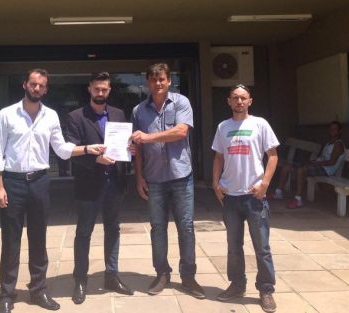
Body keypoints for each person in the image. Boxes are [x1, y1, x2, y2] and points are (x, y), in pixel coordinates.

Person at [0, 68, 104, 313]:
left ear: (46, 89)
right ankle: (7, 294)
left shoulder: (51, 116)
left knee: (39, 238)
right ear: (25, 85)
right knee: (11, 240)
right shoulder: (6, 114)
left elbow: (62, 150)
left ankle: (38, 290)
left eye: (41, 85)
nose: (37, 88)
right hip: (12, 182)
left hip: (40, 182)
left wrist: (87, 149)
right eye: (33, 84)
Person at [130, 63, 205, 299]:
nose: (158, 83)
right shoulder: (138, 111)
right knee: (157, 228)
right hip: (153, 178)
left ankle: (188, 276)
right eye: (153, 79)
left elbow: (181, 132)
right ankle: (162, 273)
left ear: (169, 81)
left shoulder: (181, 102)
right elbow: (137, 148)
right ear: (148, 83)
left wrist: (148, 137)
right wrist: (139, 176)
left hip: (181, 176)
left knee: (186, 227)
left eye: (162, 79)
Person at [66, 71, 133, 305]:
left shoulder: (118, 114)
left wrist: (130, 150)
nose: (100, 92)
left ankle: (111, 275)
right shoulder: (76, 117)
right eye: (97, 89)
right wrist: (96, 159)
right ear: (90, 89)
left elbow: (124, 145)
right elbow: (71, 151)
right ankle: (80, 280)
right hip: (89, 184)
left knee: (113, 230)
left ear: (109, 90)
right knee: (84, 232)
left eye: (104, 89)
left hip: (114, 182)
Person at [211, 84, 279, 313]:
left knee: (262, 247)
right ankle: (237, 285)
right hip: (230, 196)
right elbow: (218, 157)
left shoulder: (260, 124)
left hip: (254, 196)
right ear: (228, 101)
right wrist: (215, 183)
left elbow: (272, 156)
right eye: (235, 98)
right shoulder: (223, 127)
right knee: (233, 247)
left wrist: (265, 183)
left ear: (250, 101)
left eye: (243, 98)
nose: (239, 101)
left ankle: (266, 290)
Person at [273, 121, 345, 209]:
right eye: (331, 129)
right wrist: (312, 162)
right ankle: (278, 192)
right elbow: (323, 158)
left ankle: (298, 199)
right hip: (320, 166)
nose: (332, 131)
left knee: (301, 170)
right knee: (287, 167)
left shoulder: (338, 144)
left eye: (335, 129)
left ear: (339, 131)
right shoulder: (329, 143)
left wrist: (316, 163)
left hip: (327, 170)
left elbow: (332, 162)